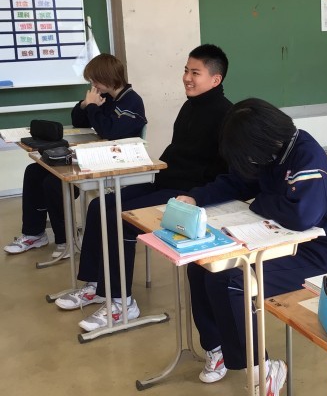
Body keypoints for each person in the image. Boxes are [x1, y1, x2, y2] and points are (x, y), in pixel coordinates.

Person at [176, 98, 327, 394]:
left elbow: (302, 217)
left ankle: (263, 367)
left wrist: (260, 202)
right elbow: (238, 183)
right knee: (202, 266)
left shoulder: (306, 155)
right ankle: (218, 348)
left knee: (233, 281)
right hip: (279, 240)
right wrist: (196, 198)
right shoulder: (271, 153)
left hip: (319, 252)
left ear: (262, 140)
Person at [54, 44, 233, 333]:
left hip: (188, 195)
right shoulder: (190, 106)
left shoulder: (226, 114)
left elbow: (222, 171)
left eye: (195, 73)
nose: (187, 78)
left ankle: (122, 303)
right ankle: (97, 285)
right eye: (186, 70)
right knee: (99, 205)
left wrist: (194, 194)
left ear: (215, 79)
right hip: (166, 181)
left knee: (120, 216)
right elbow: (178, 152)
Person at [4, 54, 147, 258]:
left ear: (108, 78)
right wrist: (84, 105)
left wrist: (93, 107)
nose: (93, 85)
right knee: (35, 171)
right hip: (94, 155)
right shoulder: (106, 97)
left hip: (115, 161)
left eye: (95, 81)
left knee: (53, 182)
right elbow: (79, 121)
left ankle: (67, 240)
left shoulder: (132, 101)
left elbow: (110, 131)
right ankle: (34, 233)